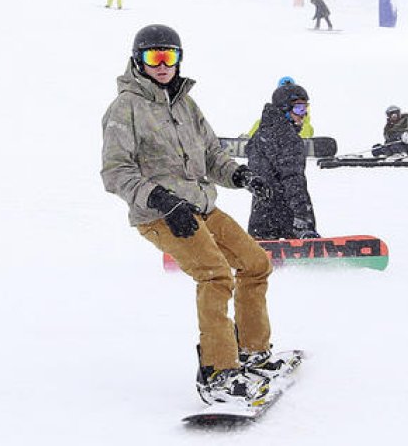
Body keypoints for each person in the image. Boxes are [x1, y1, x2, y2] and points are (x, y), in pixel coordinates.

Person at [101, 24, 294, 406]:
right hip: (159, 214)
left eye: (168, 56)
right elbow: (116, 172)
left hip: (201, 205)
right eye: (152, 57)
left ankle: (252, 353)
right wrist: (161, 200)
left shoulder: (186, 105)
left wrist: (239, 175)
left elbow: (211, 154)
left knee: (255, 264)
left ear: (178, 60)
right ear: (137, 61)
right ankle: (218, 371)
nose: (161, 65)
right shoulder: (125, 108)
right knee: (215, 274)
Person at [245, 83, 321, 240]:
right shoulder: (288, 139)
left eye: (306, 108)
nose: (304, 114)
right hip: (288, 221)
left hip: (261, 221)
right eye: (299, 108)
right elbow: (293, 180)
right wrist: (303, 220)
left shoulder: (259, 134)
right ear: (284, 109)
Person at [247, 76, 314, 138]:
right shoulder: (264, 125)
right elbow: (249, 143)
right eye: (298, 108)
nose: (302, 113)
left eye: (303, 107)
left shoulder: (305, 126)